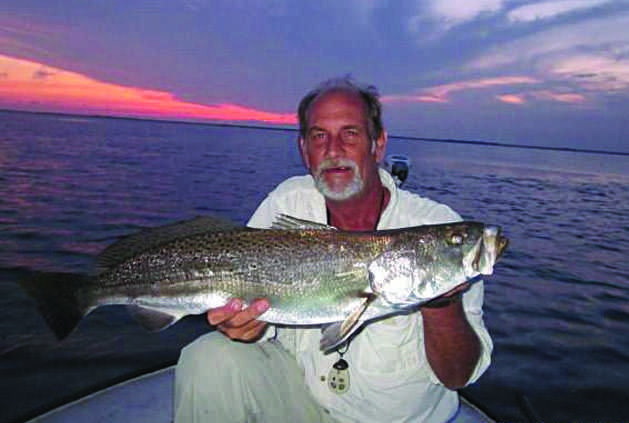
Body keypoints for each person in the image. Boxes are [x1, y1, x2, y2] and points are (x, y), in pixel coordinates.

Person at [174, 77, 493, 423]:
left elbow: (458, 375)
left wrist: (441, 304)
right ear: (303, 149)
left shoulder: (434, 224)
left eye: (350, 134)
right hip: (304, 402)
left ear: (378, 145)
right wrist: (245, 325)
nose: (334, 149)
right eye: (319, 135)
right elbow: (256, 309)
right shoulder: (287, 203)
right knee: (208, 357)